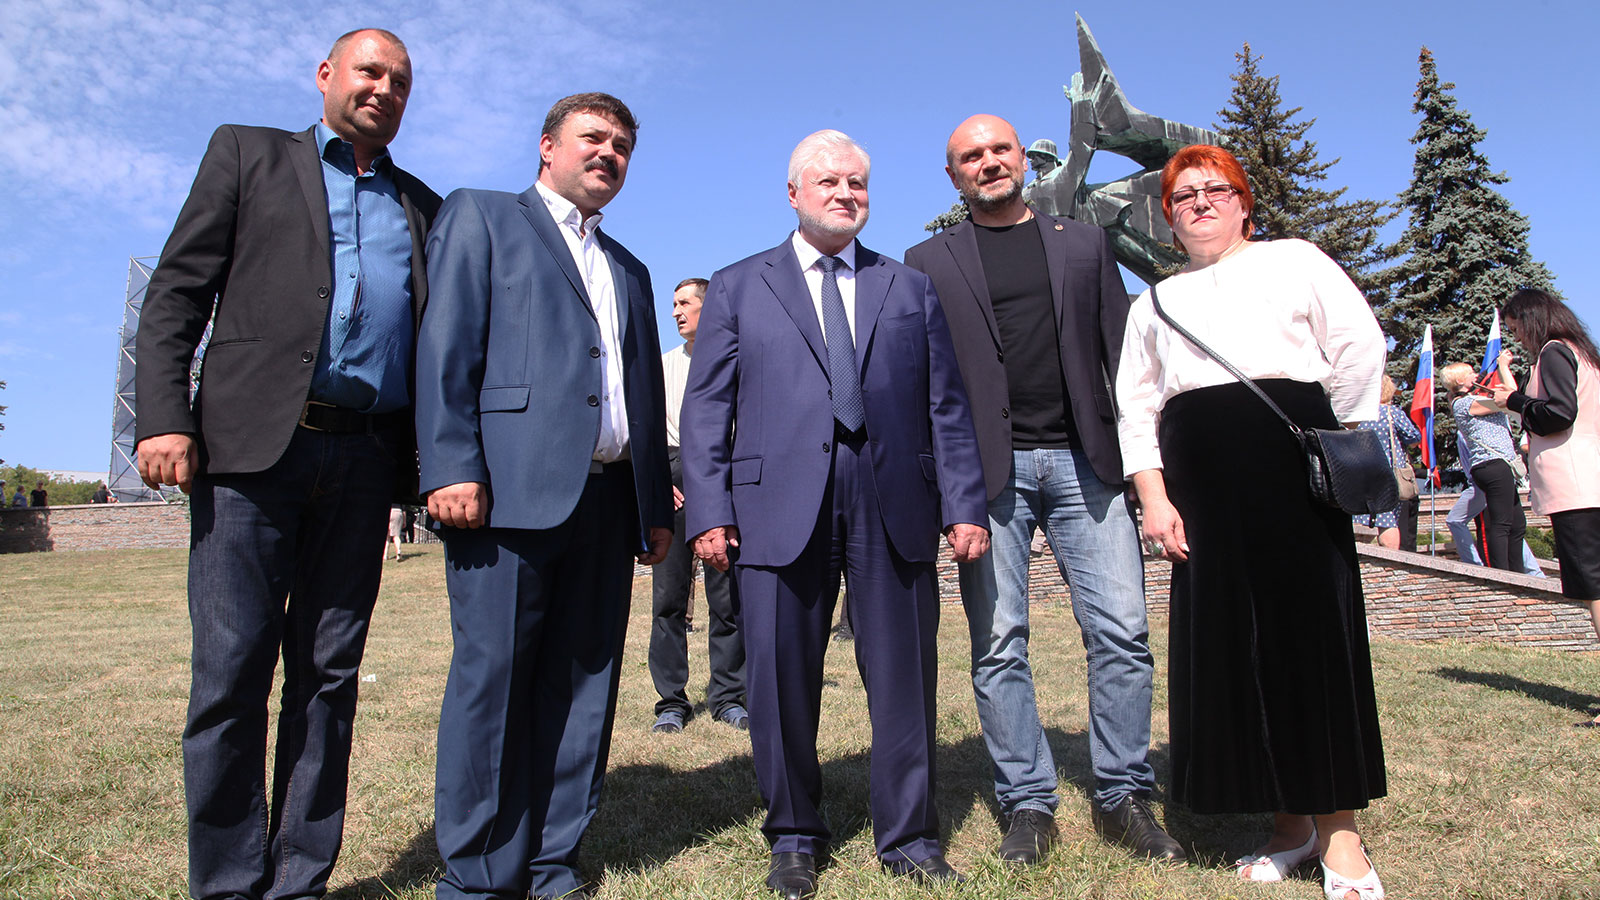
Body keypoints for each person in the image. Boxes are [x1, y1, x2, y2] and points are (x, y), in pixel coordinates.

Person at [132, 28, 439, 900]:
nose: (384, 89)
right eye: (370, 71)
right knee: (232, 673)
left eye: (401, 82)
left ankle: (299, 880)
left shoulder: (423, 203)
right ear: (326, 75)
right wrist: (166, 417)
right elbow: (177, 292)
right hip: (250, 455)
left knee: (329, 678)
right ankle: (228, 883)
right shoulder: (247, 154)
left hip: (368, 458)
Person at [681, 129, 989, 898]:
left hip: (895, 500)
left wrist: (964, 503)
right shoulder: (739, 285)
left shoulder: (908, 287)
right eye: (828, 181)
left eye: (857, 182)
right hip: (774, 505)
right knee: (780, 677)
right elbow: (706, 407)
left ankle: (910, 836)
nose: (845, 193)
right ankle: (792, 835)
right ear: (794, 194)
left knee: (905, 676)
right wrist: (709, 509)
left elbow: (946, 405)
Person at [903, 114, 1182, 864]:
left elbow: (1125, 362)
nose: (989, 163)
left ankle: (1123, 793)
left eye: (1000, 150)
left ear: (1022, 160)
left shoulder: (1084, 245)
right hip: (987, 478)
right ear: (953, 175)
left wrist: (1147, 470)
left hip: (1088, 464)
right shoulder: (926, 262)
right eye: (972, 156)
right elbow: (923, 382)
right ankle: (1027, 802)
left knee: (1122, 633)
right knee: (998, 645)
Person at [416, 91, 672, 900]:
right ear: (547, 145)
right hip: (505, 497)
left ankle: (553, 861)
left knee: (585, 687)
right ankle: (479, 874)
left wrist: (653, 505)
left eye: (622, 145)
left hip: (607, 505)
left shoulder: (629, 268)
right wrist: (450, 465)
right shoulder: (483, 217)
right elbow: (446, 346)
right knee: (493, 685)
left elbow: (641, 392)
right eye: (593, 137)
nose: (608, 153)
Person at [1117, 144, 1388, 899]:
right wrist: (1154, 496)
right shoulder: (1153, 302)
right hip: (1200, 490)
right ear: (1168, 219)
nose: (1200, 202)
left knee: (1310, 644)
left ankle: (1341, 839)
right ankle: (1287, 826)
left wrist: (1333, 439)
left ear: (1244, 204)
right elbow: (1135, 405)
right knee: (1234, 649)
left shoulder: (1293, 260)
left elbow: (1358, 347)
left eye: (1216, 189)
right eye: (1183, 196)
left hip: (1290, 476)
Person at [1493, 288, 1600, 721]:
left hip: (1576, 487)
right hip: (1591, 478)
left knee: (1595, 590)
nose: (1517, 338)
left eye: (1516, 327)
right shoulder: (1584, 354)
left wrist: (1513, 401)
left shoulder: (1555, 351)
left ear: (1531, 318)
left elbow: (1558, 413)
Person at [648, 277, 746, 734]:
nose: (675, 312)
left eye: (685, 303)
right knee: (668, 599)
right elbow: (644, 427)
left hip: (723, 478)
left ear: (709, 308)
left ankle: (728, 696)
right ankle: (671, 701)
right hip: (672, 481)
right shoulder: (662, 366)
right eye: (673, 304)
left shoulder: (735, 361)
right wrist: (657, 480)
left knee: (727, 597)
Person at [1442, 362, 1525, 571]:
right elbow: (1509, 398)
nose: (1476, 375)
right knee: (1502, 523)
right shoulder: (1464, 403)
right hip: (1492, 465)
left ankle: (1519, 574)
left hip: (1499, 465)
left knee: (1517, 524)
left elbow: (1510, 397)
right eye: (1471, 373)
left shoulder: (1474, 399)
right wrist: (1503, 366)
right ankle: (1502, 574)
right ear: (1460, 380)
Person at [1445, 430, 1544, 572]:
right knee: (1509, 526)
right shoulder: (1488, 428)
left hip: (1487, 481)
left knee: (1506, 526)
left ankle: (1482, 568)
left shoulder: (1473, 431)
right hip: (1493, 479)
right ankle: (1531, 572)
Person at [1353, 376, 1420, 549]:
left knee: (1360, 518)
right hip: (1387, 472)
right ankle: (1391, 559)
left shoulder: (1355, 414)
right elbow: (1414, 438)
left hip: (1361, 472)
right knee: (1388, 520)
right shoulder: (1391, 413)